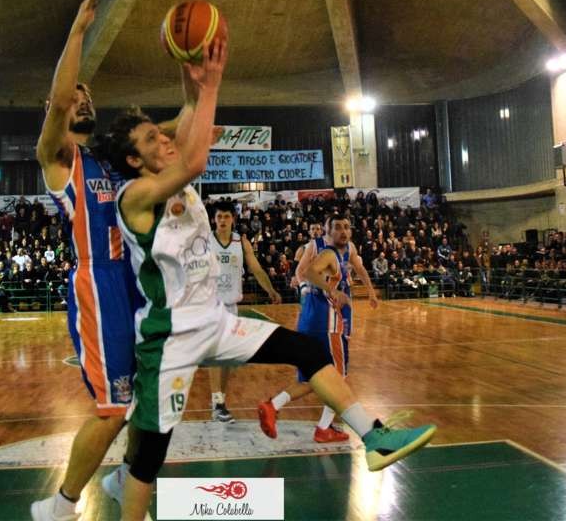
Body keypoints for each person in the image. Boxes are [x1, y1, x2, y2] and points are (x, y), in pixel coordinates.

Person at [98, 38, 435, 521]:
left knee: (310, 351)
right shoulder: (133, 196)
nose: (165, 139)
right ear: (134, 161)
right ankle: (122, 484)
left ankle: (374, 437)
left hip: (215, 321)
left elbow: (189, 112)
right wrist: (213, 83)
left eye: (162, 133)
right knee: (150, 455)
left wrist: (189, 67)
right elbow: (195, 157)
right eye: (152, 139)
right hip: (169, 337)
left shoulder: (174, 177)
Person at [31, 0, 141, 521]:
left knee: (151, 396)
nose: (83, 100)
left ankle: (123, 479)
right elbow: (58, 101)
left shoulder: (107, 160)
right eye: (76, 96)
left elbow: (156, 138)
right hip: (98, 284)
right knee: (113, 407)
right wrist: (78, 30)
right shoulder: (58, 159)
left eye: (89, 96)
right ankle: (60, 505)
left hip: (134, 281)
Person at [259, 213, 382, 443]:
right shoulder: (327, 252)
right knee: (337, 377)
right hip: (327, 322)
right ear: (327, 232)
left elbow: (356, 269)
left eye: (346, 227)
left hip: (312, 318)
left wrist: (370, 292)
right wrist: (331, 290)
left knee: (312, 375)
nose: (343, 231)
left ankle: (273, 405)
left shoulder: (345, 252)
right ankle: (323, 427)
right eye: (338, 227)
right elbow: (306, 272)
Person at [208, 200, 282, 423]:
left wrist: (270, 290)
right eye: (219, 217)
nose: (222, 220)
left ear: (233, 219)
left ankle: (220, 402)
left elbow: (256, 269)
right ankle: (217, 403)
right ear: (214, 219)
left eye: (226, 216)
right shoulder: (205, 241)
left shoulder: (241, 242)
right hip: (210, 305)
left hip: (231, 306)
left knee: (227, 357)